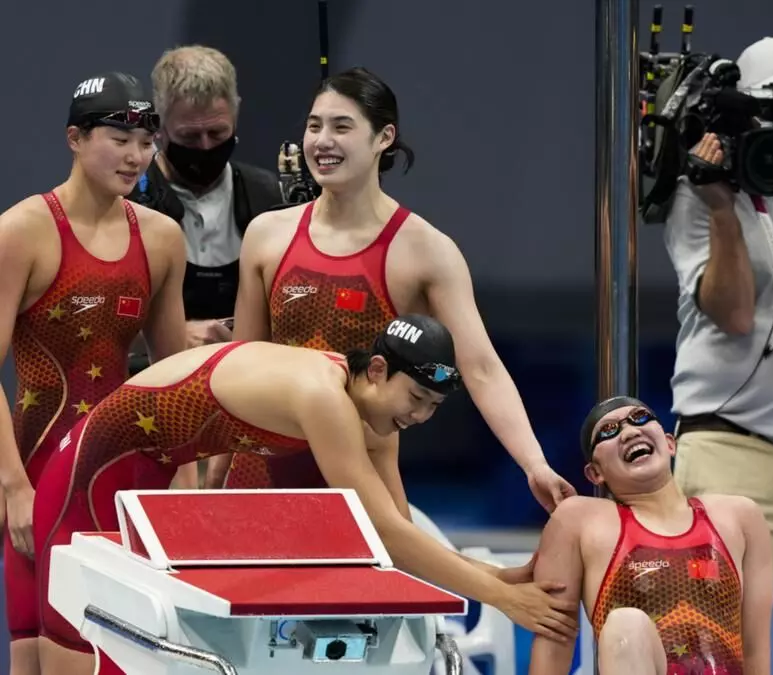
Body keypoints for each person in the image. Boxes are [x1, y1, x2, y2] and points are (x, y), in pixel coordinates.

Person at [31, 315, 578, 675]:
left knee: (138, 651)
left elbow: (398, 535)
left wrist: (492, 577)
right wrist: (500, 600)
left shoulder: (376, 421)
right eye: (415, 397)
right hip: (92, 471)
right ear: (378, 370)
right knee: (85, 650)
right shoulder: (322, 395)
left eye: (433, 407)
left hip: (149, 471)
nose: (418, 416)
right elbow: (380, 530)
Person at [211, 66, 574, 512]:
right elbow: (239, 368)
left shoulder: (426, 250)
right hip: (260, 477)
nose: (322, 141)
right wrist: (213, 477)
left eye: (342, 126)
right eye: (313, 125)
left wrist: (534, 464)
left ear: (384, 137)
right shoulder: (267, 235)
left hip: (363, 485)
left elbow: (480, 368)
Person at [0, 72, 188, 675]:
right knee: (36, 662)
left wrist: (184, 478)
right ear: (74, 139)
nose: (136, 155)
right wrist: (14, 488)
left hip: (127, 483)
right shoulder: (23, 231)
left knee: (129, 660)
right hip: (38, 483)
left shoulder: (161, 239)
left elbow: (178, 375)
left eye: (146, 140)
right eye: (119, 137)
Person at [662, 37, 773, 675]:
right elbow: (734, 315)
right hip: (728, 443)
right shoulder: (701, 197)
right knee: (714, 638)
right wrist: (720, 208)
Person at [527, 397, 773, 675]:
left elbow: (756, 654)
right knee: (626, 625)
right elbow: (553, 645)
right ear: (595, 473)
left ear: (670, 443)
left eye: (641, 417)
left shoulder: (740, 517)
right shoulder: (578, 521)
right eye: (609, 431)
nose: (631, 432)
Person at [130, 46, 280, 343]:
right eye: (189, 136)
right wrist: (173, 334)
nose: (205, 147)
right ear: (157, 126)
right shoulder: (127, 202)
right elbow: (89, 317)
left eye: (217, 133)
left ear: (235, 116)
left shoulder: (269, 197)